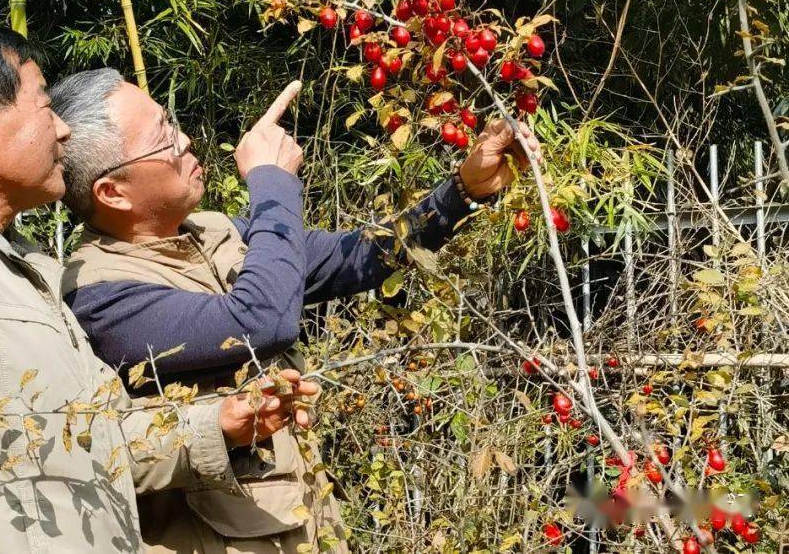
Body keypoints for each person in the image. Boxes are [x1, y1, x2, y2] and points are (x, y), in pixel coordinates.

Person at [0, 21, 317, 553]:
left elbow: (95, 440)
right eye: (45, 107)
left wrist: (217, 426)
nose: (63, 132)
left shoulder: (30, 275)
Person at [51, 68, 544, 553]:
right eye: (163, 138)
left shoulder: (217, 232)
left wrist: (463, 191)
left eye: (172, 122)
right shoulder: (100, 295)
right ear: (112, 191)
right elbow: (259, 322)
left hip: (304, 527)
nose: (184, 141)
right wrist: (272, 183)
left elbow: (361, 257)